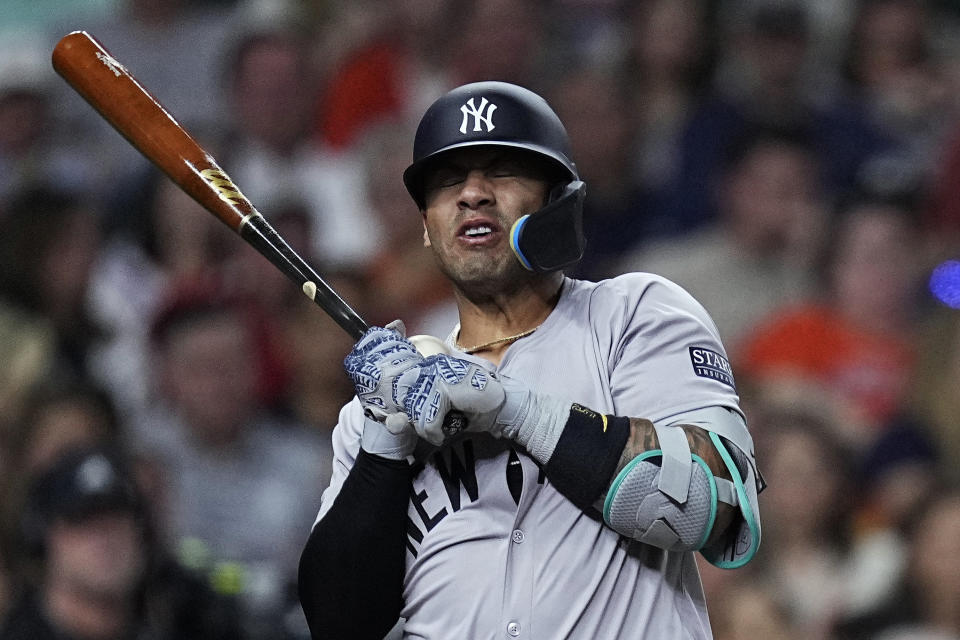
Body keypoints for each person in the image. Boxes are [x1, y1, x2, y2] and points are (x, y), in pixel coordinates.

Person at [298, 81, 764, 639]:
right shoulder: (383, 403)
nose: (472, 194)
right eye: (447, 182)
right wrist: (382, 443)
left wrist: (515, 411)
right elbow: (338, 625)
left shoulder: (634, 315)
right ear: (425, 226)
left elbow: (706, 507)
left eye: (502, 171)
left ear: (557, 200)